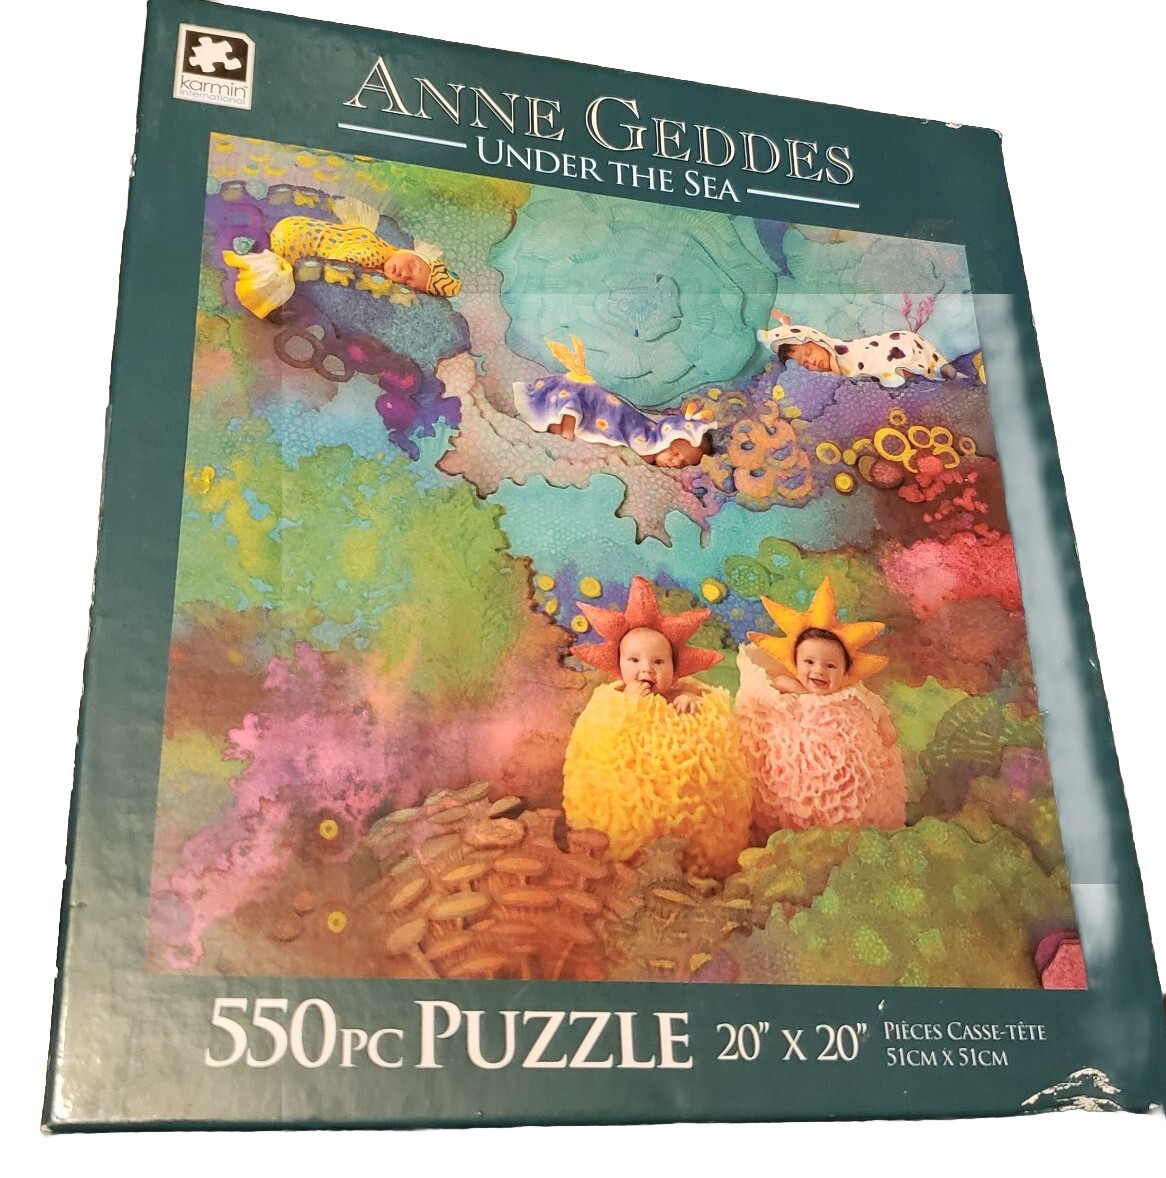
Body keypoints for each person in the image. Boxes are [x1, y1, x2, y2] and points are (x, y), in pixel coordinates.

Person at [561, 575, 751, 878]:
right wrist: (632, 703)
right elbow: (618, 726)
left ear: (674, 668)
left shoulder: (682, 692)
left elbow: (694, 699)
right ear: (619, 664)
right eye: (634, 660)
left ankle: (702, 865)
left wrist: (689, 699)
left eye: (659, 662)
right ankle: (620, 855)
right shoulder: (613, 701)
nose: (646, 669)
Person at [736, 578, 906, 834]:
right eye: (809, 662)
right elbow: (771, 685)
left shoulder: (852, 692)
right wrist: (784, 695)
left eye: (830, 665)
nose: (819, 671)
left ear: (846, 671)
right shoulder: (790, 682)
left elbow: (875, 705)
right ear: (795, 663)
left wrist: (885, 725)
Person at [222, 195, 461, 319]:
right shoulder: (374, 254)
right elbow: (342, 259)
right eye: (413, 267)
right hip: (295, 241)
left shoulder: (381, 244)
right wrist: (372, 273)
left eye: (409, 282)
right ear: (411, 253)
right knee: (280, 283)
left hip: (291, 226)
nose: (404, 274)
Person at [514, 337, 715, 468]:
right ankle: (564, 425)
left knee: (564, 423)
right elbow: (626, 422)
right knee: (585, 402)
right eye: (674, 452)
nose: (675, 462)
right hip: (604, 406)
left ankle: (559, 426)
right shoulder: (648, 444)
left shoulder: (652, 456)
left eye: (683, 464)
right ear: (665, 439)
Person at [757, 312, 956, 389]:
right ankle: (933, 370)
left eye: (809, 353)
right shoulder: (828, 375)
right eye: (805, 365)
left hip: (886, 345)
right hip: (879, 364)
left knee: (905, 342)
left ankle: (939, 365)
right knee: (895, 367)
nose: (811, 362)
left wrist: (783, 323)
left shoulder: (837, 349)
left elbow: (863, 352)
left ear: (817, 342)